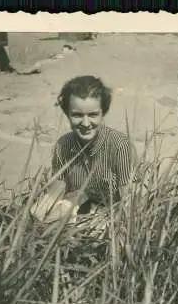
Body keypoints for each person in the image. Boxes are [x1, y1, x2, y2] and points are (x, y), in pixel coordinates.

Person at [32, 75, 138, 222]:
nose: (86, 123)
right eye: (77, 115)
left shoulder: (120, 146)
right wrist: (40, 215)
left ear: (103, 113)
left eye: (93, 115)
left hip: (112, 216)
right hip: (77, 209)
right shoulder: (63, 145)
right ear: (67, 114)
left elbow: (129, 200)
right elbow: (57, 188)